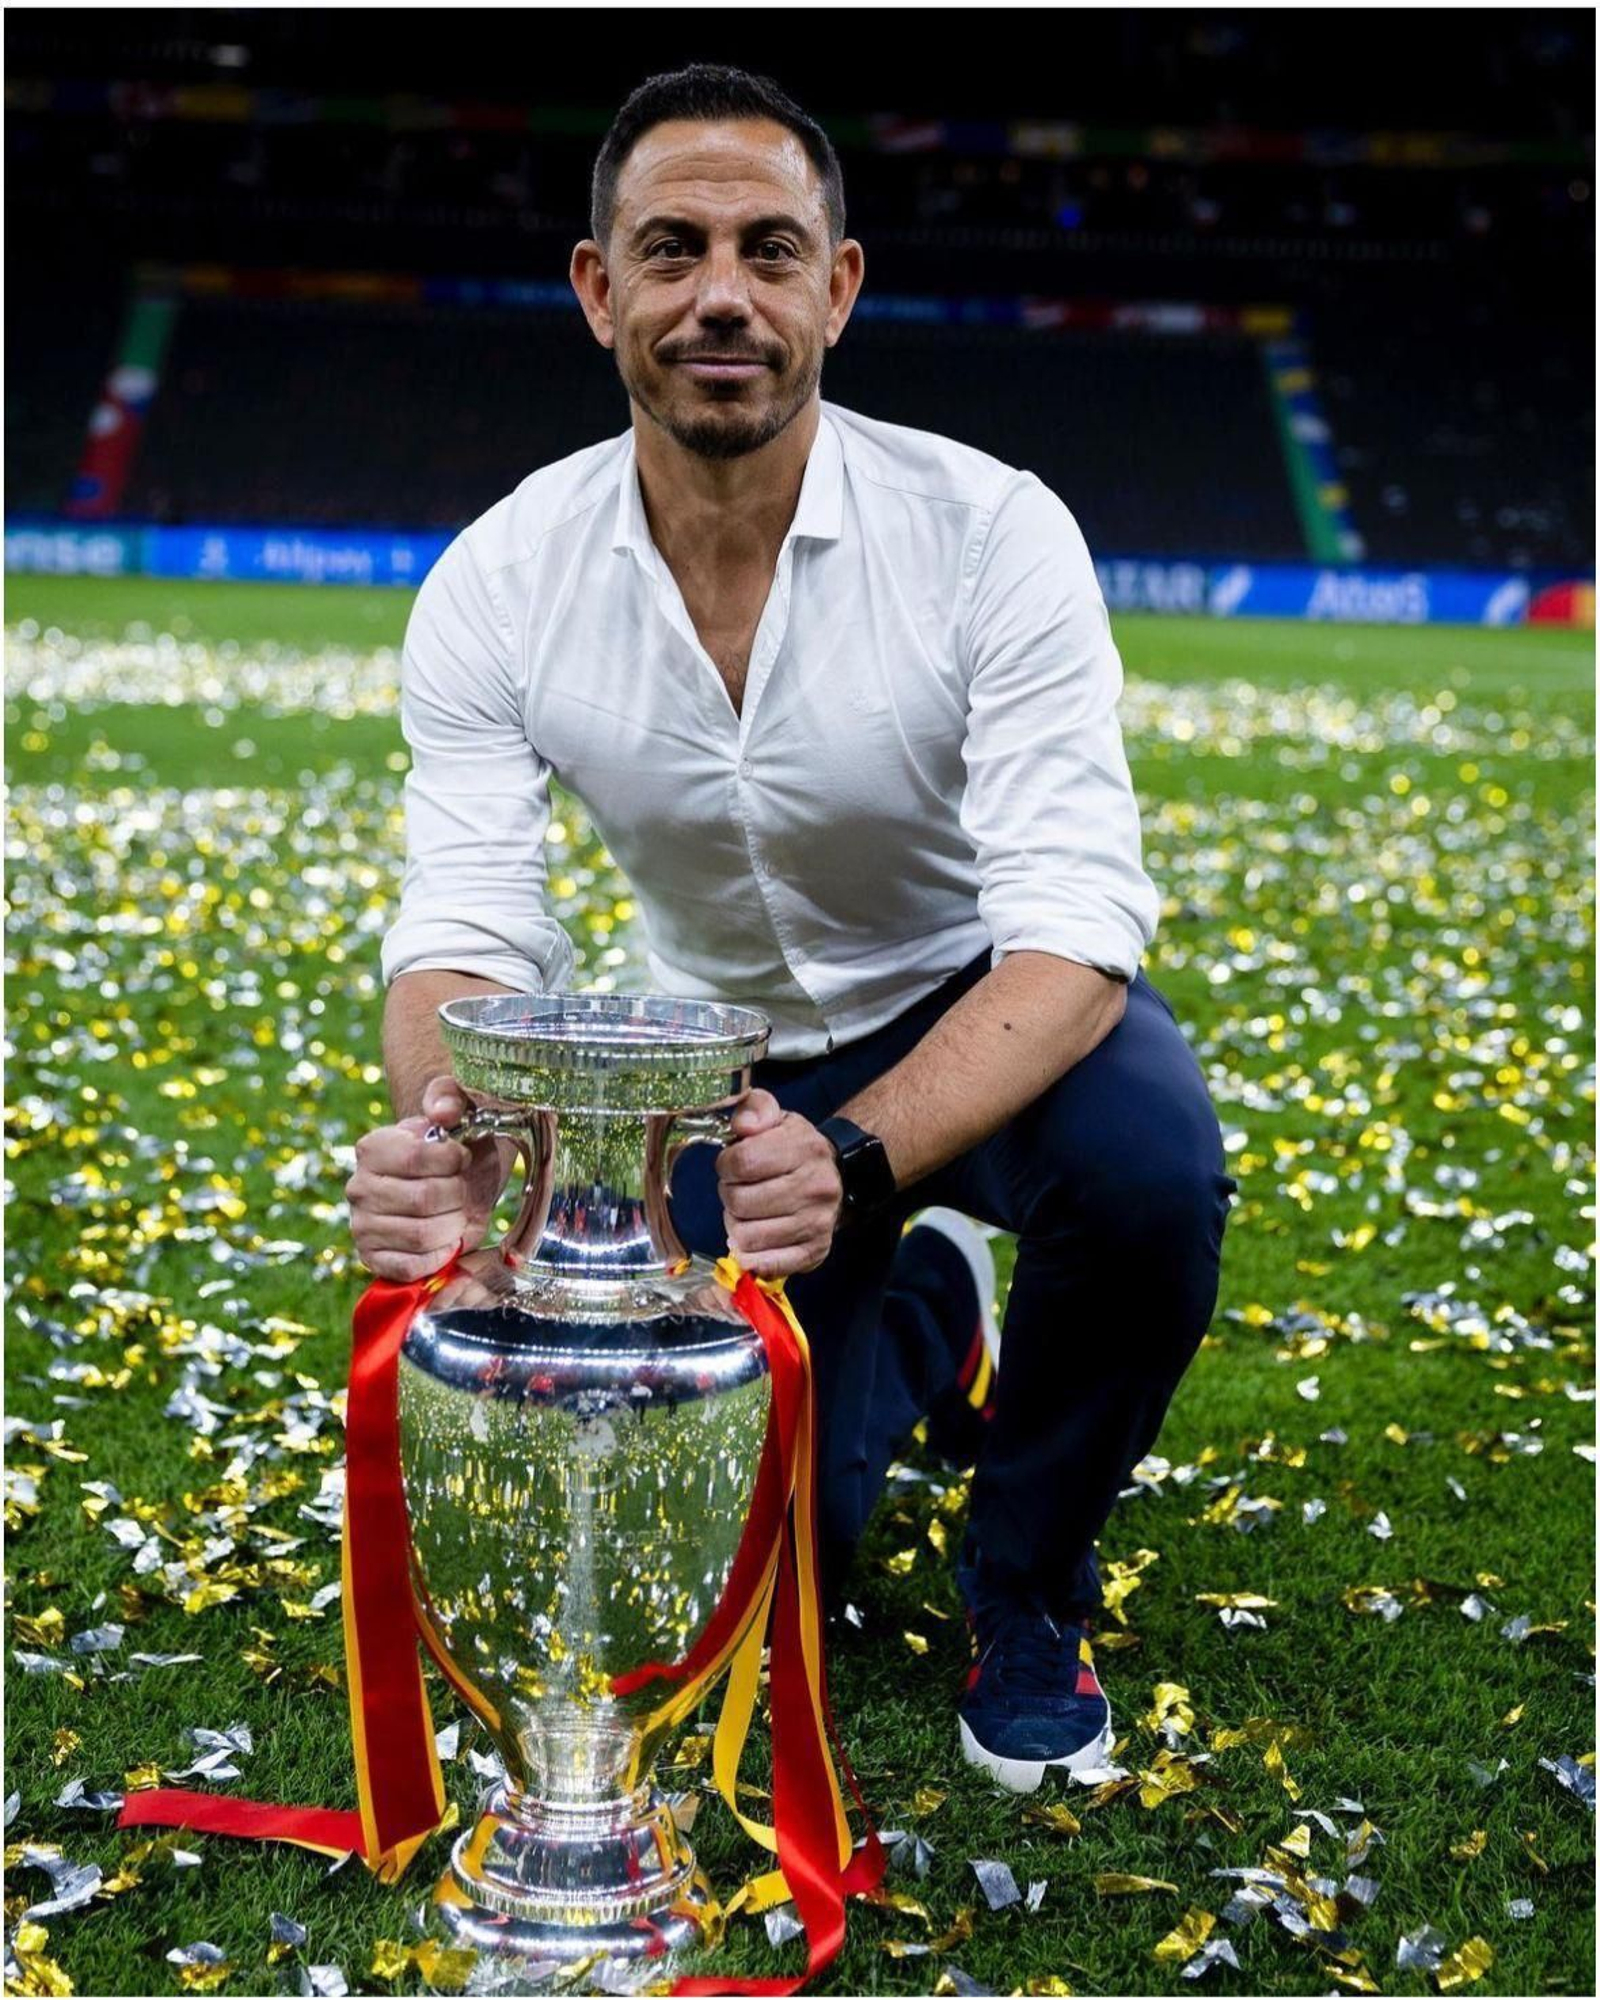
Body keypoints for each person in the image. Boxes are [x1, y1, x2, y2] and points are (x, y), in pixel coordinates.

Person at [347, 63, 1238, 1794]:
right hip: (714, 1062)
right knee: (762, 1574)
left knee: (1148, 1171)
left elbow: (1072, 923)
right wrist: (458, 1138)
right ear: (600, 292)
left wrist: (857, 1153)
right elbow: (465, 917)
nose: (722, 298)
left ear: (839, 285)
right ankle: (913, 1320)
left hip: (977, 1012)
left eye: (771, 249)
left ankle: (1028, 1585)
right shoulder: (498, 574)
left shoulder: (990, 533)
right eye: (670, 251)